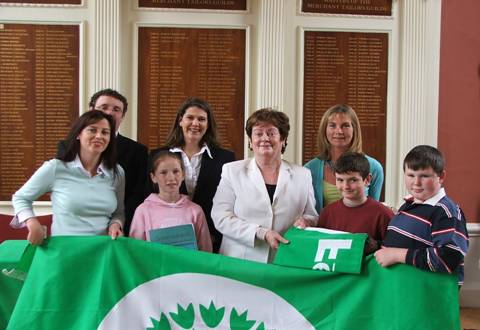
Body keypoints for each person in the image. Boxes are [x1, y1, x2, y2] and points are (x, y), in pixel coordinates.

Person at [211, 108, 318, 263]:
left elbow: (311, 215)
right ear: (250, 140)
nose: (264, 138)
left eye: (271, 133)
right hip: (240, 262)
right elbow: (221, 217)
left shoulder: (303, 175)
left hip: (284, 261)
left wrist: (306, 221)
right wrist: (261, 232)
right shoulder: (232, 171)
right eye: (258, 133)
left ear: (283, 139)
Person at [12, 110, 125, 245]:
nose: (99, 136)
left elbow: (118, 212)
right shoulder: (55, 168)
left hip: (102, 251)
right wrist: (32, 223)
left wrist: (116, 224)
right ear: (78, 134)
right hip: (64, 250)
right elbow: (21, 198)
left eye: (105, 132)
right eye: (92, 130)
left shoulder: (117, 172)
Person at [149, 97, 235, 252]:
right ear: (180, 121)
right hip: (168, 240)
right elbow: (150, 195)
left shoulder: (226, 159)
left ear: (208, 125)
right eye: (190, 117)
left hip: (213, 239)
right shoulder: (157, 156)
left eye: (202, 119)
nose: (195, 123)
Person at [57, 89, 148, 236]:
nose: (109, 113)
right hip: (76, 229)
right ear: (91, 110)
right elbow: (62, 188)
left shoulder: (138, 151)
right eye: (104, 107)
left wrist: (119, 223)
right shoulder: (68, 147)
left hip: (120, 230)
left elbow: (137, 195)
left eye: (116, 109)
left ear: (123, 116)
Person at [374, 145, 469, 284]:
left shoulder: (445, 212)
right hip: (404, 286)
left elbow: (449, 257)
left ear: (441, 176)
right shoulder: (409, 204)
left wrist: (396, 255)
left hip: (428, 292)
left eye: (424, 176)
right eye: (411, 175)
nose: (416, 182)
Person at [296, 152, 393, 254]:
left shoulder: (383, 214)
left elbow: (391, 251)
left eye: (353, 180)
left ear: (367, 180)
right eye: (340, 180)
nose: (346, 186)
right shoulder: (327, 213)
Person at [304, 104, 384, 214]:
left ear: (354, 129)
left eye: (345, 126)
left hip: (359, 230)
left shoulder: (374, 167)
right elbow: (308, 213)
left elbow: (374, 212)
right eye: (332, 125)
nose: (339, 131)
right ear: (324, 130)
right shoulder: (309, 169)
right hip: (323, 229)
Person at [130, 151, 212, 252]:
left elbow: (205, 250)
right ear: (153, 177)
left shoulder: (195, 211)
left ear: (183, 175)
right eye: (163, 172)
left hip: (188, 267)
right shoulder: (143, 211)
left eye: (176, 171)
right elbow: (135, 249)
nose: (171, 178)